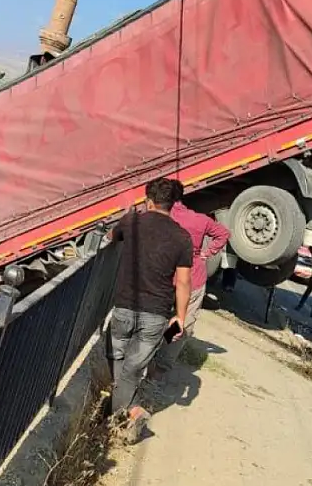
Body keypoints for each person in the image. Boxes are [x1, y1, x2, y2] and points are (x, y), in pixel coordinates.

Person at [107, 177, 193, 444]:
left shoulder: (131, 221)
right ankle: (126, 413)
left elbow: (112, 237)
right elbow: (183, 282)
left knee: (116, 357)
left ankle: (125, 414)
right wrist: (179, 317)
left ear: (148, 201)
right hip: (157, 314)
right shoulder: (182, 237)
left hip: (124, 305)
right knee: (133, 369)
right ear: (173, 205)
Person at [148, 180, 229, 380]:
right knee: (181, 324)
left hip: (164, 275)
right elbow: (224, 233)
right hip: (193, 278)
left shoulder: (162, 215)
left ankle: (146, 355)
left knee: (156, 316)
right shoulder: (200, 220)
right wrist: (206, 253)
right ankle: (160, 366)